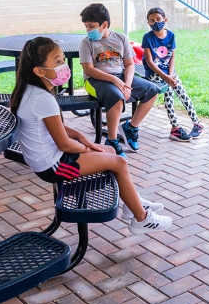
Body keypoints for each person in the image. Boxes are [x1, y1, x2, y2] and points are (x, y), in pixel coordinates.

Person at [10, 37, 172, 233]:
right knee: (119, 162)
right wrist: (88, 147)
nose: (64, 66)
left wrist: (79, 135)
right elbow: (65, 145)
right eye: (58, 62)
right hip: (53, 166)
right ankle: (141, 218)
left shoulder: (30, 91)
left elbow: (53, 128)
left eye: (63, 60)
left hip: (52, 157)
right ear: (39, 71)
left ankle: (132, 204)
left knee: (111, 150)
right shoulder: (43, 98)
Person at [79, 3, 160, 158]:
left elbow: (129, 64)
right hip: (94, 80)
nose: (88, 30)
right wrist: (115, 82)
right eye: (86, 27)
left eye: (91, 26)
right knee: (116, 97)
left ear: (104, 24)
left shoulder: (121, 38)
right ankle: (112, 140)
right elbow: (89, 70)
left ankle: (130, 128)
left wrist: (127, 84)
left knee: (152, 90)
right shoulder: (86, 43)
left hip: (121, 76)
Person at [142, 7, 204, 142]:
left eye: (158, 19)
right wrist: (166, 78)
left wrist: (171, 76)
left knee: (182, 93)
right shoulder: (147, 37)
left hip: (169, 72)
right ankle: (175, 127)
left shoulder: (171, 35)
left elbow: (172, 58)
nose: (156, 23)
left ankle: (197, 124)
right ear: (148, 23)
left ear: (165, 20)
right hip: (154, 74)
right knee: (169, 95)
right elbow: (150, 62)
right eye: (152, 21)